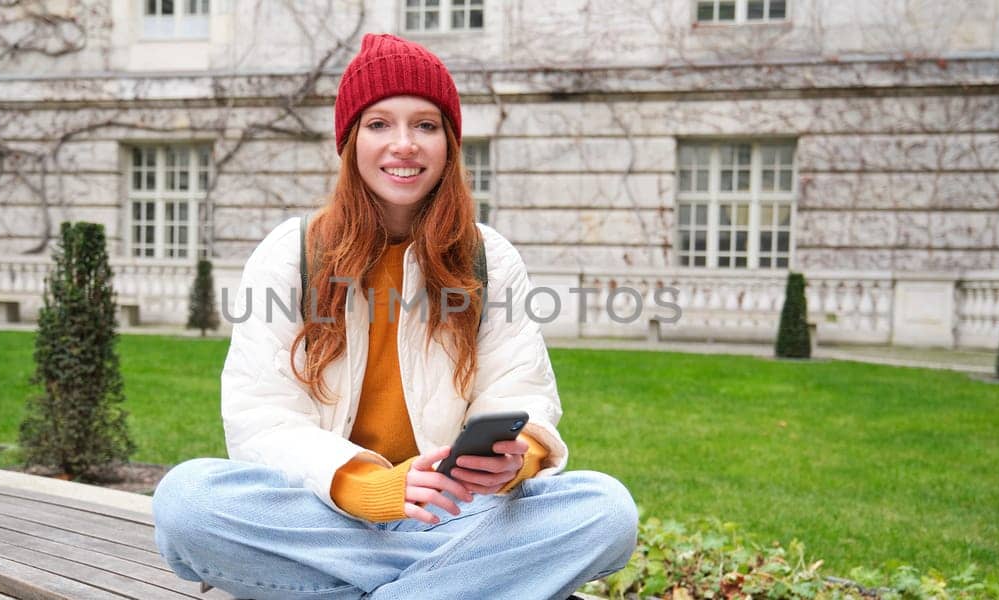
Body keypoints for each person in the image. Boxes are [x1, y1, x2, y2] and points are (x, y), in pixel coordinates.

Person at [152, 33, 638, 600]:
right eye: (380, 124)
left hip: (453, 513)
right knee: (187, 501)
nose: (403, 144)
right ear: (351, 140)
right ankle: (461, 585)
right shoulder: (292, 251)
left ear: (449, 144)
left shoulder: (488, 257)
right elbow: (261, 417)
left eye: (425, 125)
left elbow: (519, 392)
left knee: (605, 512)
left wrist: (517, 457)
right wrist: (365, 487)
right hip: (324, 509)